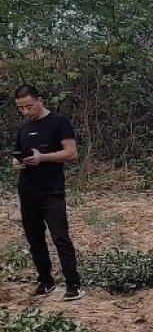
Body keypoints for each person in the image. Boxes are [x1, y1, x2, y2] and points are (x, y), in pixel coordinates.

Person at [12, 84, 82, 299]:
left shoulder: (59, 123)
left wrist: (43, 157)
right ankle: (45, 281)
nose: (26, 112)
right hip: (27, 190)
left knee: (60, 237)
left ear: (40, 100)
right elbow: (16, 154)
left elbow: (71, 153)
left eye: (29, 107)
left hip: (51, 190)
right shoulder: (24, 128)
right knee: (35, 239)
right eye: (21, 108)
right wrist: (18, 162)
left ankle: (73, 285)